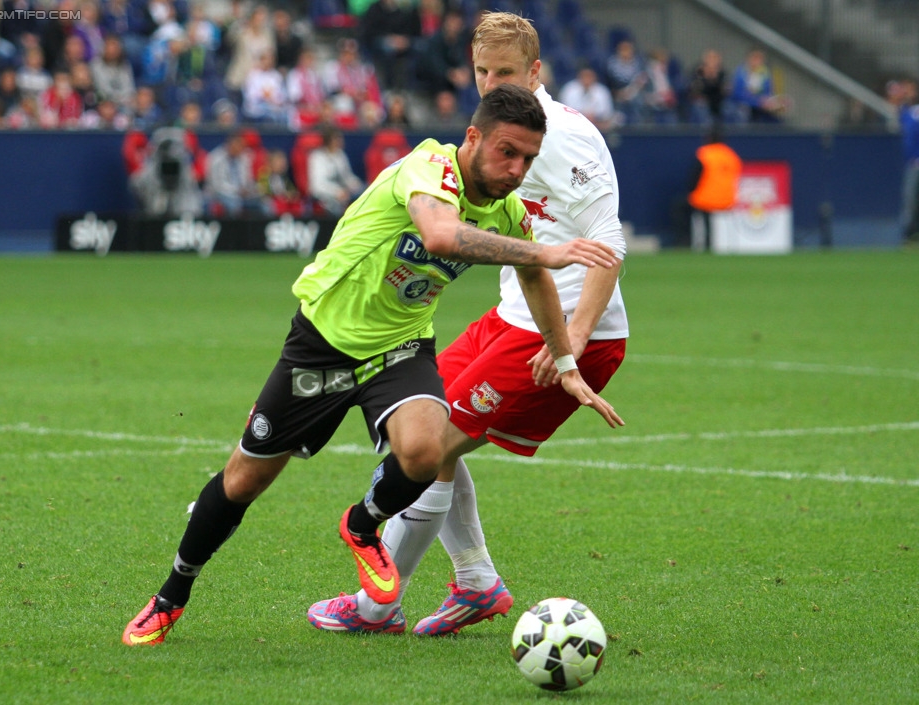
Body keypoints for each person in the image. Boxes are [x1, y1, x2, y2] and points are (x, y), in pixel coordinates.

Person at [121, 83, 622, 646]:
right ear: (473, 137)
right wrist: (546, 250)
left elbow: (535, 280)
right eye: (508, 152)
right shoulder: (428, 166)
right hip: (324, 346)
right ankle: (170, 597)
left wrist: (565, 359)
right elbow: (440, 233)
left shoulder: (507, 209)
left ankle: (362, 525)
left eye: (528, 158)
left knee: (426, 449)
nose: (517, 168)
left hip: (400, 348)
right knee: (244, 480)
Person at [307, 11, 629, 636]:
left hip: (557, 332)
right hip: (513, 316)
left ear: (536, 72)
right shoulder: (493, 132)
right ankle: (477, 583)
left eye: (504, 72)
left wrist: (575, 340)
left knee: (433, 447)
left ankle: (377, 607)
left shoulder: (563, 137)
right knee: (419, 431)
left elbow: (609, 243)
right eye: (481, 71)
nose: (488, 84)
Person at [686, 126, 743, 251]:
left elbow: (694, 178)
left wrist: (690, 193)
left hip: (705, 200)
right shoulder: (731, 156)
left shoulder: (704, 154)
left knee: (681, 207)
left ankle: (685, 243)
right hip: (728, 201)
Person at [204, 129, 268, 217]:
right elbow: (217, 186)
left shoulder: (244, 157)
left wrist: (252, 190)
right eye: (238, 145)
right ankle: (235, 230)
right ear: (229, 145)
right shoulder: (216, 158)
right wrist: (237, 191)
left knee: (265, 203)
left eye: (242, 146)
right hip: (219, 194)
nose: (241, 148)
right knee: (234, 205)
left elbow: (247, 180)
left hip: (241, 194)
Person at [307, 126, 366, 216]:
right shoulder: (317, 157)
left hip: (343, 193)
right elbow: (317, 185)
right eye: (337, 139)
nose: (340, 141)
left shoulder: (340, 155)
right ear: (329, 140)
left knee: (364, 192)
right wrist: (337, 192)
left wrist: (357, 185)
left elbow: (347, 177)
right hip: (324, 196)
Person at [730, 47, 789, 124]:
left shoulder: (765, 74)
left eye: (760, 58)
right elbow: (737, 94)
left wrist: (776, 102)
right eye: (755, 57)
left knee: (778, 120)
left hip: (761, 109)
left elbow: (768, 93)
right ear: (748, 58)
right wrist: (757, 102)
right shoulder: (740, 73)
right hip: (744, 107)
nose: (757, 61)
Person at [557, 64, 616, 132]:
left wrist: (594, 117)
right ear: (579, 76)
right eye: (584, 76)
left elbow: (607, 114)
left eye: (589, 76)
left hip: (597, 126)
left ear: (594, 77)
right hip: (574, 125)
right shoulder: (569, 89)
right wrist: (584, 116)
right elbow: (563, 112)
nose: (587, 79)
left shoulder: (602, 91)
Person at [896, 78, 919, 243]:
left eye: (910, 90)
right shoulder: (906, 111)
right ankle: (909, 235)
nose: (907, 93)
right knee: (909, 201)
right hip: (911, 164)